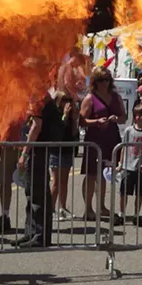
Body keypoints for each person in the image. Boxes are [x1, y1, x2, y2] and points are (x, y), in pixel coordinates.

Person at [15, 90, 63, 248]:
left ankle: (40, 236)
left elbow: (36, 126)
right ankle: (31, 232)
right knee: (31, 193)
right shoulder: (42, 95)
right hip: (39, 150)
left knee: (37, 194)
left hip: (38, 150)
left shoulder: (38, 96)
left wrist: (24, 153)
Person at [79, 66, 126, 222]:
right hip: (94, 140)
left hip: (111, 139)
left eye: (106, 79)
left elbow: (124, 118)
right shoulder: (90, 98)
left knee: (105, 174)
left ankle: (102, 206)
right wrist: (96, 122)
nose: (104, 83)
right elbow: (81, 120)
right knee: (91, 174)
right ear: (95, 82)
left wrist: (116, 119)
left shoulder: (115, 97)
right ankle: (88, 209)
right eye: (100, 80)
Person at [116, 103, 142, 226]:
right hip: (128, 166)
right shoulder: (129, 130)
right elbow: (123, 147)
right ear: (134, 116)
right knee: (124, 192)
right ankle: (122, 214)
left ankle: (137, 215)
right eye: (138, 115)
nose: (140, 118)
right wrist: (121, 163)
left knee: (140, 193)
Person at [0, 116, 25, 236]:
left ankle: (32, 217)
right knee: (5, 182)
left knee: (24, 181)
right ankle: (5, 215)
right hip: (9, 143)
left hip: (17, 143)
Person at [48, 90, 79, 220]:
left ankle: (62, 207)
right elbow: (58, 129)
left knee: (64, 181)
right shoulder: (55, 114)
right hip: (56, 150)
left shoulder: (72, 115)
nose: (68, 103)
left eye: (69, 100)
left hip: (67, 149)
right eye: (65, 100)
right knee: (56, 181)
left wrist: (74, 117)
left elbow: (73, 132)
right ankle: (50, 209)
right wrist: (65, 116)